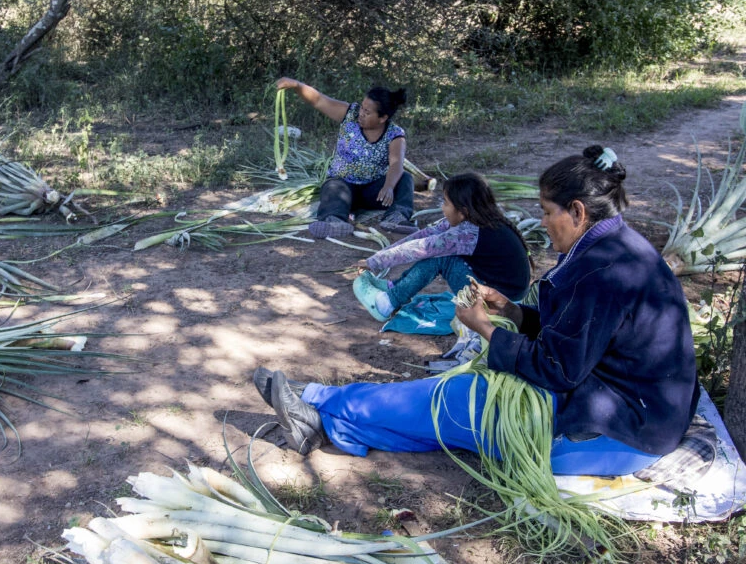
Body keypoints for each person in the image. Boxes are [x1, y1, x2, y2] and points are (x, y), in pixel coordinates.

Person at [254, 145, 700, 479]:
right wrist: (515, 312)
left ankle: (317, 401)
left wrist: (487, 329)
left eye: (547, 213)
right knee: (444, 409)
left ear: (578, 211)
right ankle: (326, 418)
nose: (543, 223)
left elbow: (557, 369)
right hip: (621, 405)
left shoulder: (606, 271)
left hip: (616, 430)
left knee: (452, 403)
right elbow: (576, 331)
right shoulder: (613, 246)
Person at [352, 172, 530, 323]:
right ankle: (396, 286)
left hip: (502, 306)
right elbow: (425, 236)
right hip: (506, 298)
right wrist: (379, 256)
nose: (442, 208)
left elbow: (419, 248)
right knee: (439, 252)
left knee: (443, 258)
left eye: (445, 203)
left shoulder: (467, 234)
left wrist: (375, 262)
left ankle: (387, 303)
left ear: (463, 211)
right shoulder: (478, 219)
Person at [275, 77, 415, 238]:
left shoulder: (395, 134)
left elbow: (396, 164)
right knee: (332, 186)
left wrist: (389, 186)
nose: (361, 114)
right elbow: (319, 100)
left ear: (382, 118)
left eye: (367, 112)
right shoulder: (350, 114)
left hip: (374, 192)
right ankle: (334, 222)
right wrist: (297, 85)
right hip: (343, 187)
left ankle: (397, 217)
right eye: (362, 108)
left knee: (405, 178)